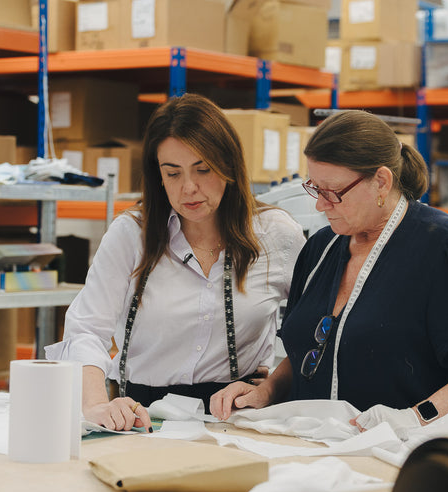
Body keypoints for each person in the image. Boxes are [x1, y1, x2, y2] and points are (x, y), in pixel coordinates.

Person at [210, 110, 448, 436]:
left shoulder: (443, 247)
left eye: (332, 192)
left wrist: (419, 417)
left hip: (407, 449)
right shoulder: (321, 248)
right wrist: (266, 391)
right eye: (315, 189)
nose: (320, 205)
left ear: (381, 181)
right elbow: (313, 350)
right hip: (315, 443)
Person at [45, 93, 306, 431]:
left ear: (229, 166)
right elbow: (87, 329)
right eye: (173, 174)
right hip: (142, 417)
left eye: (203, 169)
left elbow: (315, 333)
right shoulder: (131, 235)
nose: (189, 188)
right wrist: (96, 404)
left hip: (238, 422)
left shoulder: (276, 234)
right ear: (158, 175)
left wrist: (272, 387)